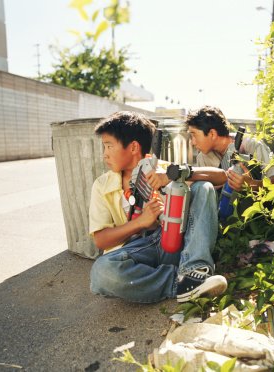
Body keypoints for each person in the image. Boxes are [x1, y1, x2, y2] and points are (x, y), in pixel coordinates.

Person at [89, 111, 228, 304]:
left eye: (109, 146)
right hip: (138, 253)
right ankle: (182, 284)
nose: (105, 154)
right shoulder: (102, 185)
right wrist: (140, 222)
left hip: (176, 242)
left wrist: (175, 174)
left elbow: (221, 176)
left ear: (133, 147)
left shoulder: (163, 168)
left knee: (203, 187)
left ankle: (195, 270)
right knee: (102, 272)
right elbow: (101, 240)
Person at [185, 105, 274, 192]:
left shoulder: (249, 145)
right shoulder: (203, 158)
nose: (192, 142)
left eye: (194, 135)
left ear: (212, 134)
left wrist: (253, 184)